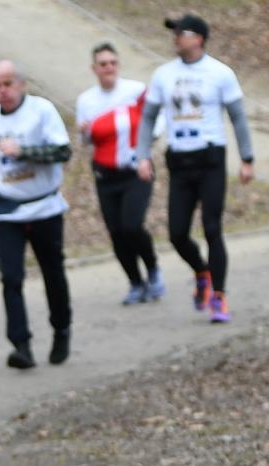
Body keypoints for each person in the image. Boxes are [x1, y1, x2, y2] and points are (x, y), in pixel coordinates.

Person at [137, 14, 254, 324]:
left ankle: (219, 295)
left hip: (210, 159)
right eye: (174, 32)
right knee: (176, 233)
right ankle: (202, 271)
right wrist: (142, 155)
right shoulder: (163, 75)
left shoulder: (220, 73)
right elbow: (148, 118)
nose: (176, 37)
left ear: (199, 38)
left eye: (182, 32)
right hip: (179, 161)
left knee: (212, 227)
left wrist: (247, 158)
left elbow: (238, 117)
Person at [0, 60, 73, 369]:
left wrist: (24, 151)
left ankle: (61, 328)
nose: (2, 91)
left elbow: (62, 152)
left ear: (21, 84)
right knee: (11, 278)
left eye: (8, 84)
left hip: (44, 206)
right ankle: (21, 345)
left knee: (52, 272)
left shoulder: (42, 111)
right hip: (7, 209)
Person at [76, 42, 164, 306]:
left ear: (119, 65)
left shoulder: (136, 91)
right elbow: (86, 141)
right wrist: (83, 132)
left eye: (113, 63)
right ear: (94, 69)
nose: (108, 68)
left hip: (137, 170)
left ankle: (153, 269)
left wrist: (146, 152)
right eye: (103, 64)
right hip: (106, 173)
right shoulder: (87, 100)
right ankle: (135, 282)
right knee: (116, 232)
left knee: (132, 225)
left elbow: (157, 121)